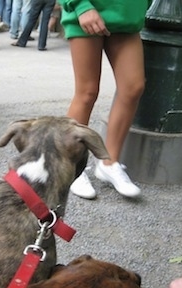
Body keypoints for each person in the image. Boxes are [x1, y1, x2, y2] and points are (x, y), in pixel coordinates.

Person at [58, 0, 147, 199]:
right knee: (87, 92)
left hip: (127, 14)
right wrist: (80, 6)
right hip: (88, 10)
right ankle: (71, 166)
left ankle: (109, 162)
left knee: (133, 88)